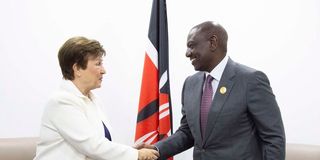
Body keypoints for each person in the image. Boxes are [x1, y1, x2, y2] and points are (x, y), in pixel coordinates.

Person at [152, 21, 286, 159]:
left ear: (213, 42)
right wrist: (155, 150)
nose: (187, 53)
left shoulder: (250, 80)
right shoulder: (190, 84)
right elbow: (187, 132)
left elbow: (274, 138)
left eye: (191, 46)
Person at [34, 36, 159, 160]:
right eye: (98, 64)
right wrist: (135, 155)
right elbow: (93, 146)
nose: (103, 70)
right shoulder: (61, 102)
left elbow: (100, 145)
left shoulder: (92, 99)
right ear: (77, 68)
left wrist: (130, 151)